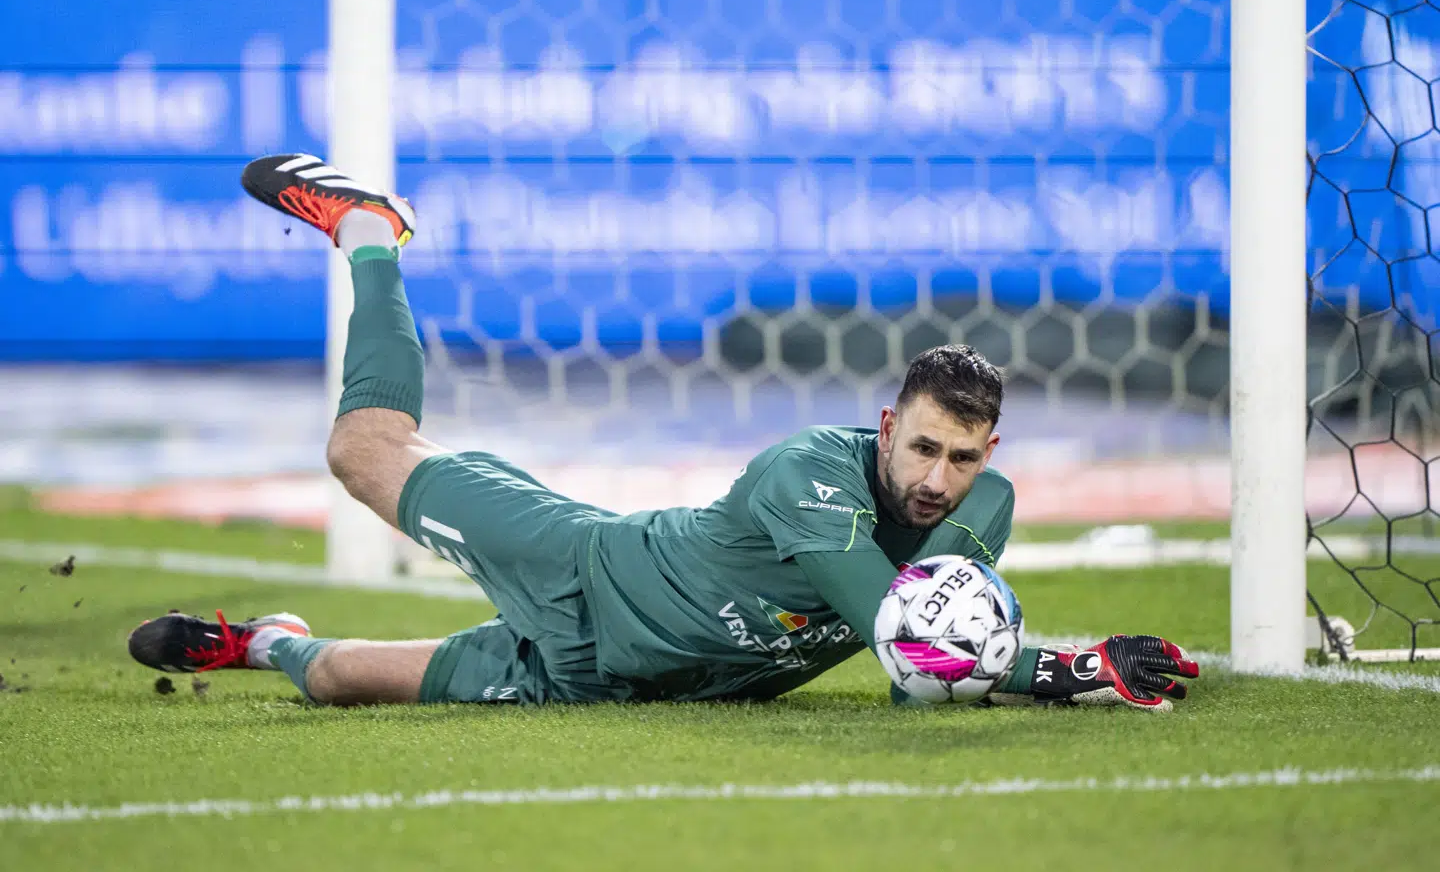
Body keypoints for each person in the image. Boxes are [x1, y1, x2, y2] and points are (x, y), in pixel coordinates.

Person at [128, 154, 1199, 712]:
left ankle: (259, 638)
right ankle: (370, 232)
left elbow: (948, 654)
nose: (936, 477)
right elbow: (906, 634)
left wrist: (1043, 663)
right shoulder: (809, 477)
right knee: (361, 453)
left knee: (333, 680)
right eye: (922, 447)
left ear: (990, 457)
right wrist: (1075, 670)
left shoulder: (986, 512)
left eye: (963, 458)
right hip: (589, 566)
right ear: (887, 426)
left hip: (612, 678)